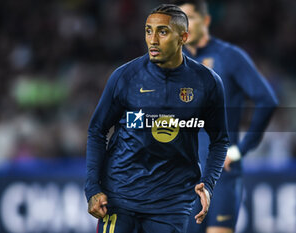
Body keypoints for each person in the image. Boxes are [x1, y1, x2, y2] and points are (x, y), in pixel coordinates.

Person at [85, 4, 230, 233]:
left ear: (183, 37)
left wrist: (208, 184)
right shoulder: (125, 77)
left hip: (171, 203)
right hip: (120, 196)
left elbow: (220, 140)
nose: (152, 39)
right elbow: (97, 130)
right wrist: (93, 188)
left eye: (162, 31)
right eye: (148, 31)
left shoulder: (207, 83)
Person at [171, 1, 279, 233]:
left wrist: (241, 149)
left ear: (206, 20)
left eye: (190, 18)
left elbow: (267, 100)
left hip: (221, 174)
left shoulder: (229, 57)